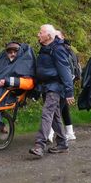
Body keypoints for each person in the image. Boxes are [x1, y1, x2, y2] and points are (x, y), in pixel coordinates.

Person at [29, 24, 74, 158]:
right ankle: (62, 143)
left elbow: (65, 71)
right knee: (54, 115)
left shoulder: (57, 49)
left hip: (55, 87)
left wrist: (69, 92)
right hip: (46, 86)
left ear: (48, 36)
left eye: (40, 32)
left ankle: (39, 145)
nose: (38, 34)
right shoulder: (45, 48)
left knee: (47, 113)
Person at [53, 31, 80, 141]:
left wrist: (68, 87)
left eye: (57, 36)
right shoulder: (68, 50)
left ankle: (49, 134)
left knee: (56, 110)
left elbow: (68, 70)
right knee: (63, 109)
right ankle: (69, 132)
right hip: (66, 83)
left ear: (62, 37)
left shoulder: (63, 50)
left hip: (64, 84)